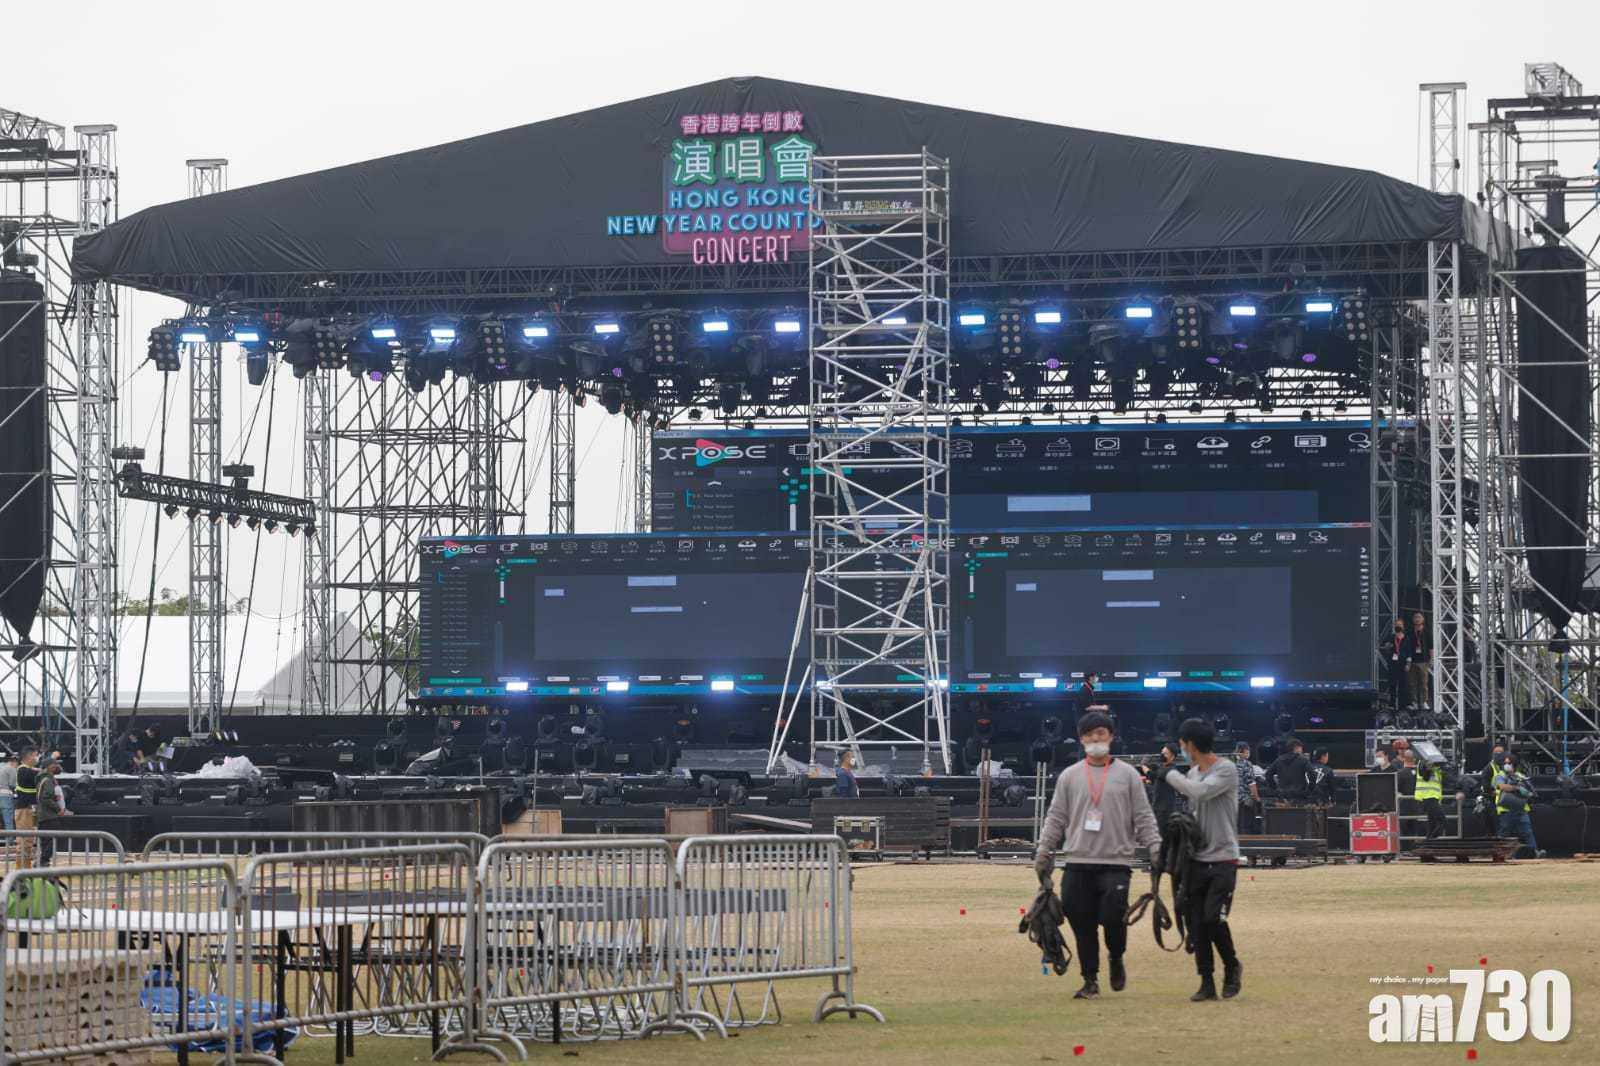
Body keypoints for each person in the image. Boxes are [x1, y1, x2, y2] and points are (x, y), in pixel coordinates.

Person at [1033, 707, 1161, 1000]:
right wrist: (1044, 851)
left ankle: (1116, 956)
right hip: (1077, 861)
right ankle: (1089, 980)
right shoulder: (1069, 776)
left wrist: (1155, 847)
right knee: (1082, 923)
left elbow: (1143, 816)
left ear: (1111, 736)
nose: (1095, 739)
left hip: (1115, 862)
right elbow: (1056, 817)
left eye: (1100, 733)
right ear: (1081, 739)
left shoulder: (1128, 775)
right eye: (1089, 734)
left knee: (1114, 917)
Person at [1164, 717, 1243, 1002]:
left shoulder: (1226, 769)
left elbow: (1200, 792)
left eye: (1183, 744)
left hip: (1223, 858)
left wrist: (1168, 774)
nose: (1182, 749)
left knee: (1213, 918)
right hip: (1196, 859)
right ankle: (1206, 981)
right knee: (1196, 923)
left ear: (1191, 744)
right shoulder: (1192, 773)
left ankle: (1232, 966)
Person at [1492, 753, 1542, 857]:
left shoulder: (1520, 776)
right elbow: (1502, 786)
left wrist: (1528, 792)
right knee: (1504, 833)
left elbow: (1530, 791)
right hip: (1506, 809)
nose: (1507, 765)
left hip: (1521, 809)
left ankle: (1535, 852)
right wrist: (1517, 788)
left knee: (1527, 832)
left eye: (1509, 763)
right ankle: (1499, 854)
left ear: (1514, 764)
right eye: (1505, 763)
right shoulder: (1500, 775)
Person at [1140, 744, 1188, 825]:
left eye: (1165, 753)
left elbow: (1151, 775)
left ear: (1172, 757)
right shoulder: (1162, 768)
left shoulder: (1169, 771)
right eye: (1162, 752)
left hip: (1165, 811)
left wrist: (1143, 765)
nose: (1162, 755)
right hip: (1158, 808)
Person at [34, 760, 68, 867]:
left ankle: (41, 863)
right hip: (49, 816)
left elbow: (44, 797)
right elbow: (46, 798)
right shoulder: (48, 780)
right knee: (51, 840)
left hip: (43, 816)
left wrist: (54, 797)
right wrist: (58, 809)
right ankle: (43, 862)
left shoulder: (42, 779)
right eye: (55, 764)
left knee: (45, 841)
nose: (57, 766)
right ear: (49, 767)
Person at [13, 749, 39, 866]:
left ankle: (26, 868)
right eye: (35, 755)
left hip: (29, 809)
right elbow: (35, 775)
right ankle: (21, 870)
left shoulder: (28, 770)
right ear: (29, 757)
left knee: (29, 841)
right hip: (24, 810)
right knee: (24, 840)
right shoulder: (23, 770)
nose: (37, 758)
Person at [1413, 757, 1448, 839]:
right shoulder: (1422, 763)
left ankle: (1429, 841)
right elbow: (1425, 777)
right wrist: (1428, 768)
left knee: (1432, 824)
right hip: (1427, 798)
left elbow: (1445, 777)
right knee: (1442, 820)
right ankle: (1431, 840)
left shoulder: (1436, 766)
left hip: (1433, 798)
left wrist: (1440, 767)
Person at [1233, 743, 1262, 834]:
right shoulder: (1246, 764)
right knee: (1246, 824)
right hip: (1244, 799)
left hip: (1230, 799)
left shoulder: (1229, 763)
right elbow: (1251, 783)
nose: (1248, 754)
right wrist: (1257, 798)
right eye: (1247, 752)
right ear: (1243, 751)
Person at [1382, 619, 1410, 712]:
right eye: (1397, 625)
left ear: (1403, 626)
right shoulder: (1391, 637)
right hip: (1393, 664)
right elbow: (1385, 648)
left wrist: (1408, 664)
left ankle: (1403, 705)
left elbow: (1409, 652)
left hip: (1403, 663)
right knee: (1392, 684)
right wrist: (1387, 647)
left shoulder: (1406, 638)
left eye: (1400, 625)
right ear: (1394, 626)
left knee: (1403, 684)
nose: (1398, 626)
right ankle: (1392, 704)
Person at [1405, 612, 1430, 710]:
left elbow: (1431, 647)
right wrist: (1408, 662)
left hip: (1423, 661)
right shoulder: (1410, 633)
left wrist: (1431, 660)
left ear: (1423, 619)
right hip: (1412, 661)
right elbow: (1407, 647)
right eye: (1415, 617)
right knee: (1412, 683)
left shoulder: (1427, 632)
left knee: (1424, 683)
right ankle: (1414, 702)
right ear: (1413, 620)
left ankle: (1424, 702)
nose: (1417, 619)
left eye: (1419, 617)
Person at [0, 752, 16, 832]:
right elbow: (12, 784)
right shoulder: (11, 768)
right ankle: (9, 839)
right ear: (14, 761)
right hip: (6, 795)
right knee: (8, 821)